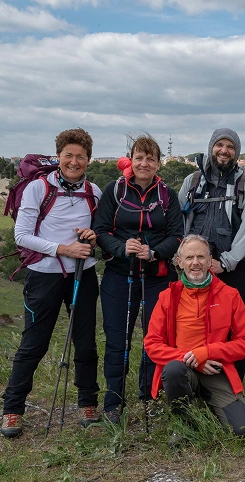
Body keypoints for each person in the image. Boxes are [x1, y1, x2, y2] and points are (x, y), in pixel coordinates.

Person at [1, 128, 102, 437]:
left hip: (82, 276)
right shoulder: (37, 188)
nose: (74, 162)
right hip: (44, 276)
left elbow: (101, 234)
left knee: (85, 343)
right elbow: (22, 235)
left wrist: (92, 238)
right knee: (34, 343)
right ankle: (12, 410)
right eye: (68, 155)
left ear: (88, 159)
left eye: (80, 157)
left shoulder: (95, 192)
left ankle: (88, 403)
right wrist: (63, 249)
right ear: (58, 156)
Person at [94, 135, 183, 424]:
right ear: (131, 159)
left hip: (157, 278)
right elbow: (102, 230)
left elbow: (177, 236)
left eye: (150, 158)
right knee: (117, 340)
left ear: (159, 163)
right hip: (120, 276)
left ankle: (150, 395)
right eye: (139, 157)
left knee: (154, 340)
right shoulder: (115, 190)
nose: (144, 163)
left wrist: (154, 252)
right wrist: (122, 249)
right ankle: (113, 402)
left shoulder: (167, 194)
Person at [144, 234, 245, 437]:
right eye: (189, 258)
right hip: (183, 368)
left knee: (242, 432)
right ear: (179, 262)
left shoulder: (230, 295)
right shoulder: (167, 297)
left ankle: (205, 404)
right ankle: (185, 425)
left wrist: (208, 352)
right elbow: (152, 344)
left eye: (201, 257)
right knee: (174, 370)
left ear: (209, 260)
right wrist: (193, 359)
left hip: (216, 371)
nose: (195, 263)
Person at [178, 128, 245, 381]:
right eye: (220, 145)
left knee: (232, 330)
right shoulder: (192, 182)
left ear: (236, 152)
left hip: (232, 272)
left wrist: (226, 262)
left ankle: (231, 387)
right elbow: (180, 221)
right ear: (211, 147)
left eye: (230, 147)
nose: (224, 151)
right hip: (194, 272)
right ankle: (195, 386)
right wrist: (185, 259)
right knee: (193, 328)